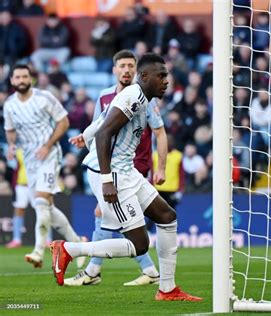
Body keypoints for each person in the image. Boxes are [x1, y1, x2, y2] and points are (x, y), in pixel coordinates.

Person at [50, 53, 201, 301]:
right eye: (161, 75)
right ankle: (68, 249)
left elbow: (101, 120)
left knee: (167, 216)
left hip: (127, 170)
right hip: (112, 174)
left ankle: (167, 289)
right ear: (144, 76)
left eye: (167, 75)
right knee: (139, 245)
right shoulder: (133, 97)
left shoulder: (140, 98)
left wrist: (84, 136)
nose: (166, 80)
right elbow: (104, 133)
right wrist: (107, 179)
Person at [65, 50, 166, 287]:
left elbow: (160, 132)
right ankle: (149, 271)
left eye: (131, 65)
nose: (126, 70)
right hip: (109, 165)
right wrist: (85, 136)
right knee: (114, 219)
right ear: (114, 70)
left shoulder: (145, 97)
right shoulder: (104, 96)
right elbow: (101, 125)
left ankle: (91, 269)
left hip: (134, 165)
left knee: (116, 219)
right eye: (122, 66)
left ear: (137, 71)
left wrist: (160, 167)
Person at [3, 64, 85, 268]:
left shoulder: (44, 97)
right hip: (29, 160)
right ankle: (77, 245)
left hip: (50, 155)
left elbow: (64, 122)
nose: (21, 80)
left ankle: (39, 251)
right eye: (17, 77)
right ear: (12, 81)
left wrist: (48, 145)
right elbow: (10, 130)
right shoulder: (10, 105)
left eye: (25, 77)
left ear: (31, 79)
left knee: (40, 201)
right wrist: (12, 146)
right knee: (46, 206)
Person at [6, 149, 29, 248]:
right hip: (21, 184)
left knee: (42, 210)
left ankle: (47, 239)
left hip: (36, 184)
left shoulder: (40, 148)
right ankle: (16, 239)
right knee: (19, 210)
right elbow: (16, 168)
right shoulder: (18, 150)